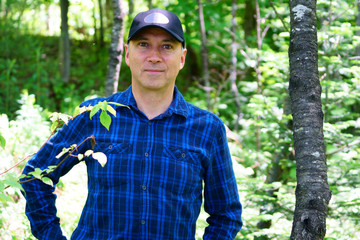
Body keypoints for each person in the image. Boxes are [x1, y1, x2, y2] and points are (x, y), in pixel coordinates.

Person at [21, 8, 242, 240]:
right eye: (143, 44)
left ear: (182, 58)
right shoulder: (94, 116)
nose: (154, 56)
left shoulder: (207, 128)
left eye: (167, 46)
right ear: (127, 54)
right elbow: (35, 177)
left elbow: (226, 214)